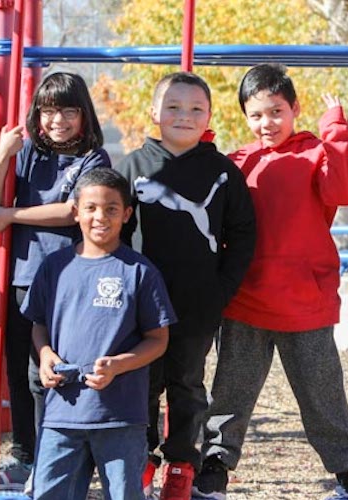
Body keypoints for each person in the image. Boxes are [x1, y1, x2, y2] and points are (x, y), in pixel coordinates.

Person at [192, 64, 348, 500]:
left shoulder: (318, 152)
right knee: (230, 394)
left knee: (322, 393)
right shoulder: (237, 161)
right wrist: (200, 144)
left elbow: (345, 191)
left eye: (276, 112)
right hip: (246, 299)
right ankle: (216, 466)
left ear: (295, 108)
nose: (266, 123)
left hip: (305, 302)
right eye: (255, 115)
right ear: (244, 117)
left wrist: (339, 127)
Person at [114, 71, 258, 500]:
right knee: (141, 380)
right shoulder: (132, 167)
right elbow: (112, 232)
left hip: (197, 302)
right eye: (173, 107)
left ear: (209, 115)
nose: (184, 116)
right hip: (140, 304)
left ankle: (181, 462)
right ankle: (139, 456)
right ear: (154, 112)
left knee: (188, 383)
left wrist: (222, 288)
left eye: (196, 109)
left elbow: (243, 232)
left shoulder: (222, 171)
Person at [0, 72, 113, 492]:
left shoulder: (94, 159)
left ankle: (59, 457)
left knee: (51, 372)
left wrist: (12, 215)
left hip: (68, 280)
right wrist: (1, 157)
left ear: (84, 114)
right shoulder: (29, 153)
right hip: (23, 275)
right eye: (49, 111)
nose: (58, 120)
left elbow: (73, 211)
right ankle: (25, 456)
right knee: (18, 369)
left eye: (69, 111)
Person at [25, 167, 176, 499]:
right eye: (91, 208)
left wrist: (118, 365)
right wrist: (46, 355)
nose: (100, 217)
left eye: (111, 209)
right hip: (62, 413)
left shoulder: (140, 272)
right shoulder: (54, 267)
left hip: (120, 416)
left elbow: (158, 340)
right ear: (76, 212)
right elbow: (38, 325)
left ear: (126, 214)